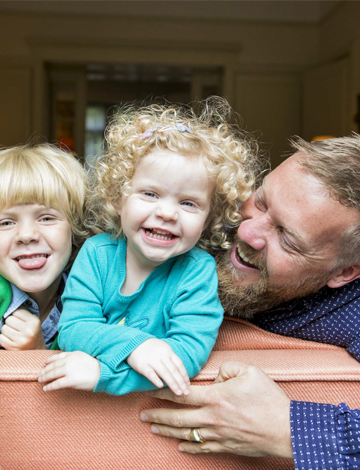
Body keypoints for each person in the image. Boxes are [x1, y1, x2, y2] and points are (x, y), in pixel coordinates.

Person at [140, 134, 360, 470]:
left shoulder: (352, 311)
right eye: (261, 200)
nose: (247, 233)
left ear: (345, 273)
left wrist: (288, 430)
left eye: (287, 237)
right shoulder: (194, 211)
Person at [38, 100, 257, 396]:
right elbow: (74, 329)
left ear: (209, 219)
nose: (167, 213)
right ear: (118, 199)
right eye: (150, 193)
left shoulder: (197, 272)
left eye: (188, 203)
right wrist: (137, 346)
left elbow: (185, 357)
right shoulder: (96, 253)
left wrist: (103, 374)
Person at [0, 144, 88, 350]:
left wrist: (37, 353)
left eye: (46, 218)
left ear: (75, 227)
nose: (27, 235)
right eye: (5, 223)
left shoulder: (95, 297)